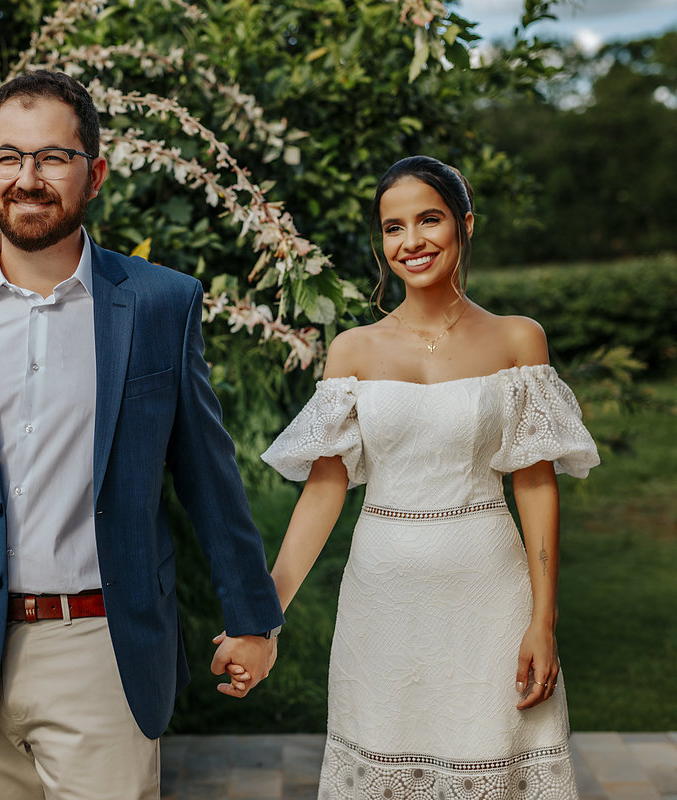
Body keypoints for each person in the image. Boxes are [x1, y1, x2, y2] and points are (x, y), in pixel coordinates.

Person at [0, 70, 284, 799]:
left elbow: (210, 477)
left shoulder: (159, 305)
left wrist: (252, 618)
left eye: (51, 157)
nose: (27, 178)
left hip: (101, 648)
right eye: (8, 157)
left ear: (95, 174)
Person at [257, 155, 600, 799]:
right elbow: (326, 490)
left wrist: (542, 621)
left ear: (465, 226)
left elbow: (534, 485)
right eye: (393, 228)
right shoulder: (353, 350)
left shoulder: (518, 340)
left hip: (490, 594)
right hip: (381, 600)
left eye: (429, 220)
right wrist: (265, 609)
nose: (411, 241)